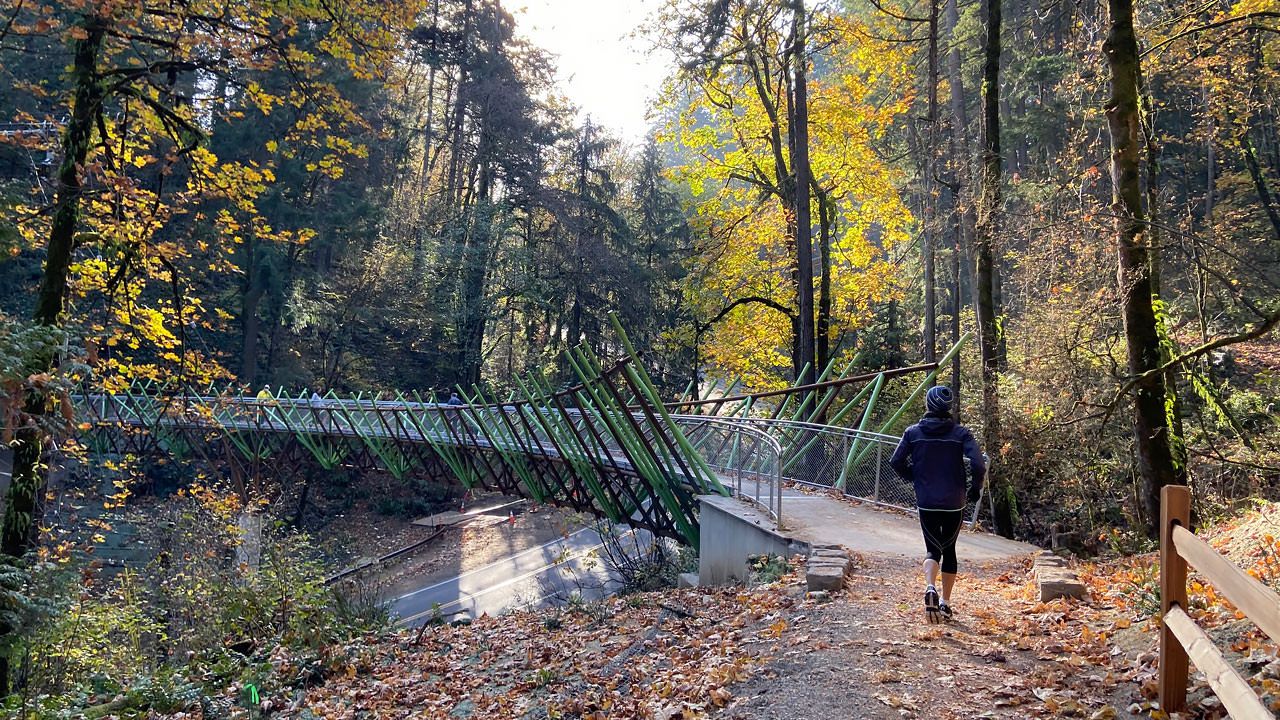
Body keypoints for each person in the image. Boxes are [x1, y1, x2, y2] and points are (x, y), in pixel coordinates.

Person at [888, 385, 986, 624]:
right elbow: (979, 464)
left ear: (928, 405)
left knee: (933, 549)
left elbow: (896, 461)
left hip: (927, 500)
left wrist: (915, 477)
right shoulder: (961, 433)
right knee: (949, 550)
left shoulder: (913, 432)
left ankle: (930, 586)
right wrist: (974, 489)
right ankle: (945, 603)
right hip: (955, 501)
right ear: (948, 408)